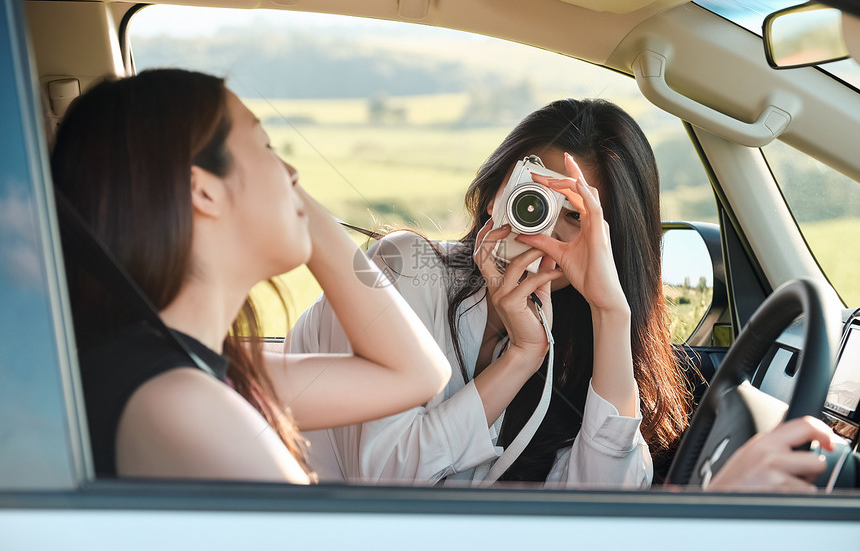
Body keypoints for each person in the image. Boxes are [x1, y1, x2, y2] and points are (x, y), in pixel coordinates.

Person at [290, 98, 843, 492]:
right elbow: (385, 480)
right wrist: (518, 360)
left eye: (574, 218)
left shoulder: (574, 333)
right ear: (494, 195)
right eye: (530, 199)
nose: (540, 230)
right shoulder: (406, 270)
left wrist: (610, 310)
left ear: (610, 241)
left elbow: (605, 500)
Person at [50, 69, 451, 482]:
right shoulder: (181, 401)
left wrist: (289, 207)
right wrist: (287, 210)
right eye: (266, 146)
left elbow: (419, 375)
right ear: (203, 190)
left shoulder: (188, 372)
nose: (293, 173)